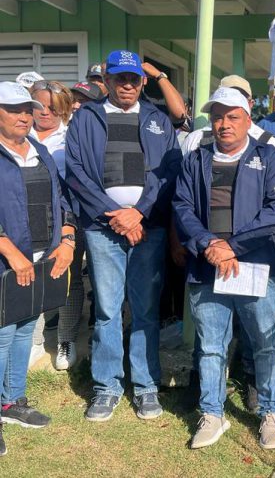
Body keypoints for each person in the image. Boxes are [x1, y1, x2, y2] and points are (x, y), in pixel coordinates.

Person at [65, 50, 182, 422]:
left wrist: (139, 212)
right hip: (103, 229)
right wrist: (112, 213)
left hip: (148, 228)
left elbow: (169, 172)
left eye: (133, 78)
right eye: (120, 78)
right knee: (106, 310)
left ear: (142, 81)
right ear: (108, 80)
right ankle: (107, 386)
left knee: (146, 310)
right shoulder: (86, 118)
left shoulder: (158, 119)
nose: (127, 84)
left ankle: (146, 385)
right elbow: (76, 172)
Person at [173, 87, 275, 449]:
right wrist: (209, 244)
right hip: (208, 266)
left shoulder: (268, 157)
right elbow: (182, 207)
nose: (224, 124)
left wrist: (232, 247)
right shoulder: (195, 159)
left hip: (253, 265)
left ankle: (269, 412)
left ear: (247, 120)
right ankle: (212, 413)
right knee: (210, 345)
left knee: (265, 342)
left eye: (232, 116)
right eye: (218, 117)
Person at [0, 81, 76, 455]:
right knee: (0, 335)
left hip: (40, 256)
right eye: (14, 110)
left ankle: (12, 402)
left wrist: (67, 240)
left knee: (24, 329)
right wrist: (8, 250)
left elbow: (61, 200)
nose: (24, 116)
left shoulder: (41, 152)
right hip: (4, 261)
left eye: (27, 110)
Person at [28, 81, 84, 371]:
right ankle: (34, 341)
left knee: (68, 278)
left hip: (67, 217)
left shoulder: (70, 137)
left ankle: (66, 339)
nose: (46, 113)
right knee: (29, 277)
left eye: (54, 107)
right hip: (28, 217)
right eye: (41, 106)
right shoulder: (19, 135)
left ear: (63, 109)